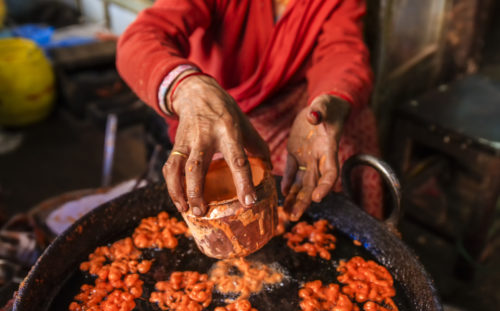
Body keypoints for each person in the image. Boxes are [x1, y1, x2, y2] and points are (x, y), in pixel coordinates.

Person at [116, 0, 382, 221]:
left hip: (292, 99)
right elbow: (142, 37)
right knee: (228, 170)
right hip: (216, 105)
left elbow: (342, 52)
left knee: (344, 131)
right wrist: (187, 88)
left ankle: (321, 223)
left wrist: (328, 103)